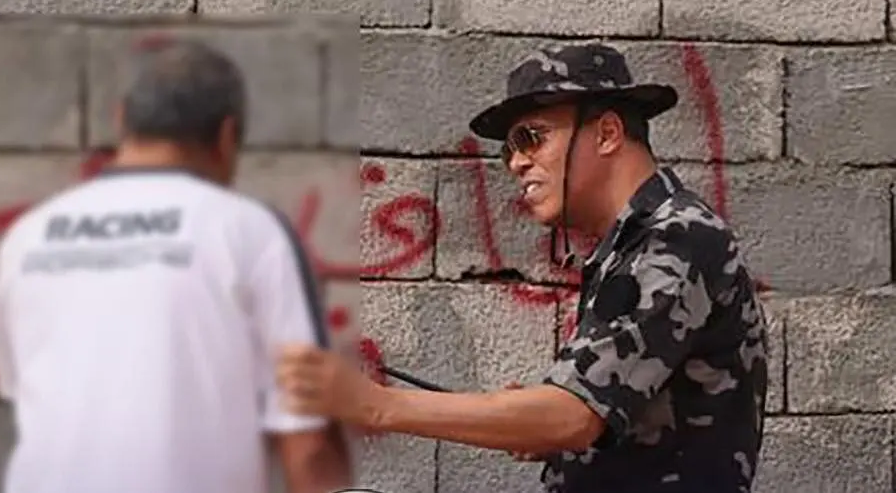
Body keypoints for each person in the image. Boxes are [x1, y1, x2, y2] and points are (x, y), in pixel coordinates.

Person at [275, 43, 769, 493]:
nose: (515, 162)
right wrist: (535, 421)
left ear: (607, 133)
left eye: (531, 138)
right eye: (509, 148)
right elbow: (591, 413)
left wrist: (377, 405)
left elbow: (573, 416)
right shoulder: (633, 244)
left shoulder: (676, 238)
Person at [0, 37, 353, 493]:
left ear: (122, 119)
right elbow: (309, 448)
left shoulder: (28, 236)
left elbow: (23, 390)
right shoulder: (251, 232)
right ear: (227, 136)